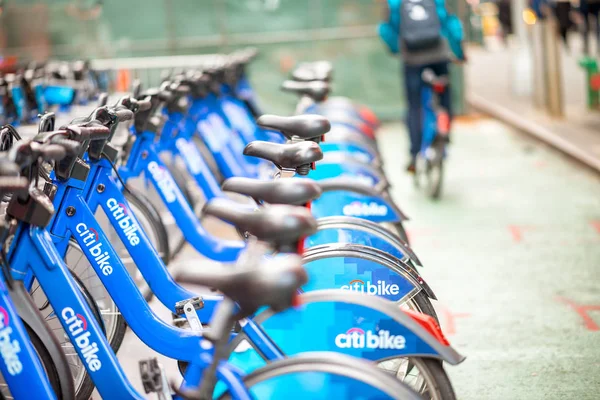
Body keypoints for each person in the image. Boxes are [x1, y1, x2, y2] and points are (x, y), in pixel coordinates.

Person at [378, 0, 466, 172]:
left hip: (412, 58)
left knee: (414, 106)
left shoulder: (395, 2)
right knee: (445, 98)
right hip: (438, 55)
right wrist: (460, 53)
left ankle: (414, 153)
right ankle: (444, 134)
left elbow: (385, 29)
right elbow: (451, 24)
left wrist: (397, 49)